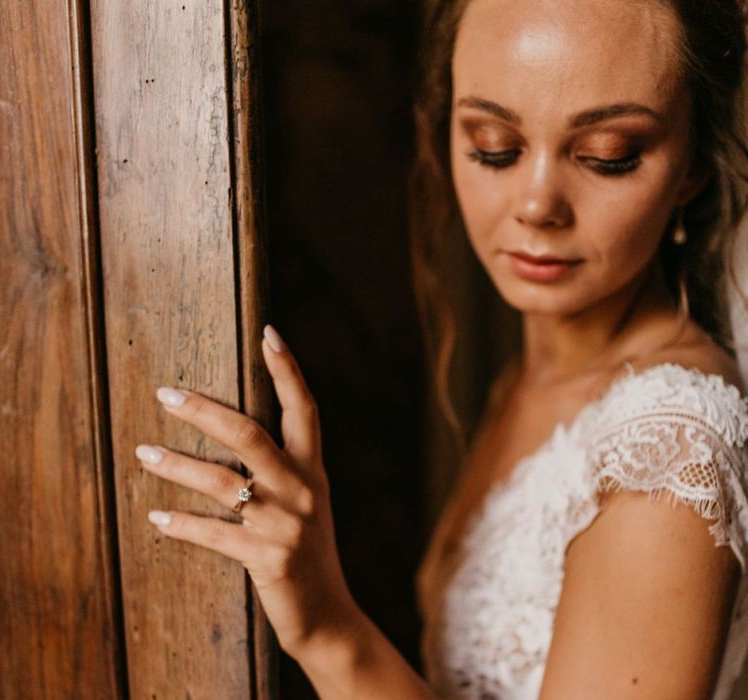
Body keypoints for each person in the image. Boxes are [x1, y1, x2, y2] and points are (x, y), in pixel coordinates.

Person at [134, 0, 748, 697]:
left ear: (693, 164)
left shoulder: (668, 456)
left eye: (608, 156)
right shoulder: (533, 379)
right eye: (493, 145)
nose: (537, 204)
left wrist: (328, 630)